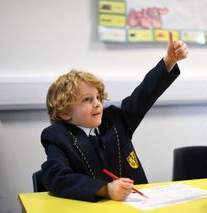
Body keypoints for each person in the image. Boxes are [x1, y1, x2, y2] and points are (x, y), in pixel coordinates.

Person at [40, 32, 189, 202]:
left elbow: (144, 95)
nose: (97, 104)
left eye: (98, 97)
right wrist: (105, 189)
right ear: (64, 112)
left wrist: (169, 61)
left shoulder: (115, 121)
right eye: (87, 100)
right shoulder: (58, 136)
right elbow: (56, 177)